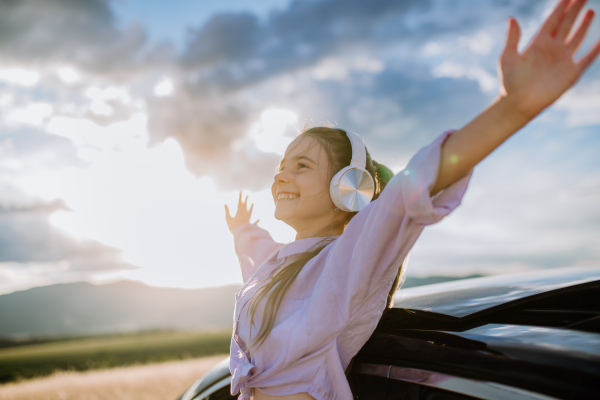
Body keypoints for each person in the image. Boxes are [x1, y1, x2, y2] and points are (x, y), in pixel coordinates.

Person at [223, 1, 600, 399]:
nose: (281, 174)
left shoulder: (344, 264)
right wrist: (241, 229)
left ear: (346, 189)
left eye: (301, 165)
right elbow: (254, 252)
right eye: (282, 164)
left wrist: (513, 109)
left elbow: (407, 194)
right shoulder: (274, 265)